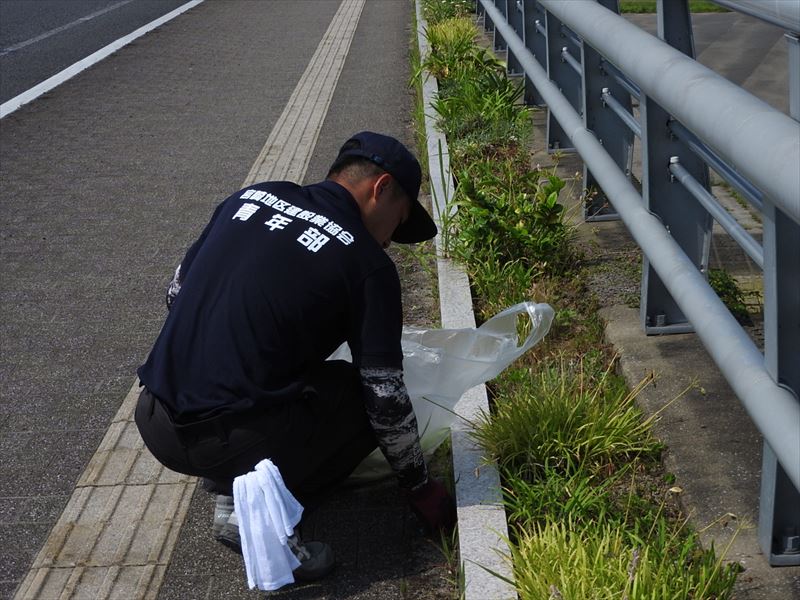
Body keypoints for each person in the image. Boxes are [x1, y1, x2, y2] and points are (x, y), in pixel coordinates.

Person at [134, 131, 456, 581]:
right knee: (357, 400)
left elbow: (176, 294)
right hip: (223, 438)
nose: (389, 242)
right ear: (380, 188)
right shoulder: (367, 265)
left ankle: (232, 486)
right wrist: (419, 486)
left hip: (154, 417)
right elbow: (384, 396)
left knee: (293, 373)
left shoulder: (250, 198)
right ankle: (265, 524)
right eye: (397, 223)